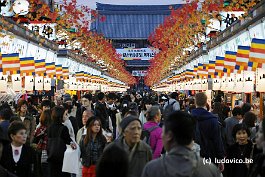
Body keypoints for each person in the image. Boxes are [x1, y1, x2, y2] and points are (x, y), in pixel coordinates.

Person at [141, 111, 221, 177]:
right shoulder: (210, 170)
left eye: (163, 132)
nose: (162, 135)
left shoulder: (152, 169)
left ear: (169, 136)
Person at [191, 92, 225, 171]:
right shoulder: (213, 120)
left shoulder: (188, 119)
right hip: (210, 154)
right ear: (206, 102)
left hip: (193, 155)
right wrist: (220, 159)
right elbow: (217, 140)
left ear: (195, 102)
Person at [47, 106, 76, 177]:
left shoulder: (50, 127)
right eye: (65, 114)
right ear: (60, 115)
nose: (66, 116)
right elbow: (69, 142)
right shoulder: (63, 128)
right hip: (62, 158)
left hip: (52, 156)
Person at [33, 110, 52, 177]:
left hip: (40, 152)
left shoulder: (40, 128)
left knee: (41, 172)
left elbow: (34, 139)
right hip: (52, 153)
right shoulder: (53, 128)